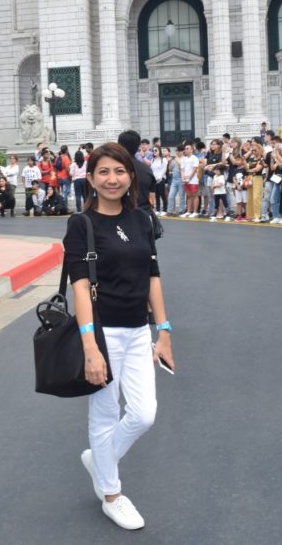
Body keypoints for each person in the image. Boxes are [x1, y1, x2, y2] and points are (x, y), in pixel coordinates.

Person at [63, 142, 172, 531]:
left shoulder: (142, 220)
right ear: (91, 179)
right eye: (104, 172)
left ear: (131, 177)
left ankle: (100, 459)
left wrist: (164, 330)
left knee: (144, 414)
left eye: (120, 171)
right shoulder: (82, 224)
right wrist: (90, 346)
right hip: (103, 332)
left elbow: (152, 276)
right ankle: (111, 494)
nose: (113, 179)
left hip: (139, 331)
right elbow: (79, 287)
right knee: (106, 414)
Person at [179, 142, 201, 218]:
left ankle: (195, 212)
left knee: (194, 195)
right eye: (185, 149)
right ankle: (188, 211)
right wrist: (183, 178)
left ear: (192, 150)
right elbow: (182, 169)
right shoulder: (183, 159)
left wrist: (189, 179)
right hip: (186, 180)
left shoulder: (195, 158)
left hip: (193, 180)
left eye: (187, 148)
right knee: (188, 196)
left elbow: (194, 169)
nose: (186, 150)